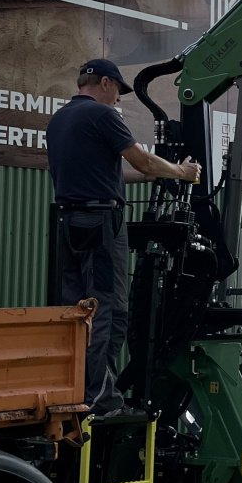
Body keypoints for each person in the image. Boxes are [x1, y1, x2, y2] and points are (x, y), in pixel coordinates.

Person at [46, 58, 200, 415]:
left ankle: (74, 388)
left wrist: (154, 176)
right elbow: (143, 161)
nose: (118, 98)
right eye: (116, 90)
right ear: (103, 83)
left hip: (69, 222)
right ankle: (101, 398)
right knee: (108, 310)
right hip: (102, 223)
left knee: (74, 309)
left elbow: (119, 172)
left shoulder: (60, 120)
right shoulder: (103, 116)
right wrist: (182, 171)